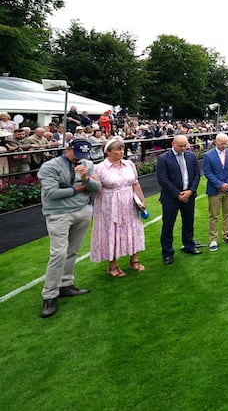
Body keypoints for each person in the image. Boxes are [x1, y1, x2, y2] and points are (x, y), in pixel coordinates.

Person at [38, 138, 100, 318]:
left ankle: (66, 285)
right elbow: (52, 193)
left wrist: (87, 178)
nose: (78, 158)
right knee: (58, 253)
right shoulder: (50, 166)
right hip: (59, 213)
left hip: (82, 210)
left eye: (83, 154)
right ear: (68, 149)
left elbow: (97, 188)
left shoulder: (87, 163)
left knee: (73, 251)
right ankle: (49, 295)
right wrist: (81, 188)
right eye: (76, 153)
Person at [90, 139, 146, 277]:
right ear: (108, 152)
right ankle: (113, 265)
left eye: (122, 149)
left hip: (129, 202)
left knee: (133, 228)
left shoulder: (129, 164)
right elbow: (94, 189)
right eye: (118, 150)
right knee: (111, 231)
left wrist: (142, 201)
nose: (121, 152)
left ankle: (134, 260)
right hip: (109, 205)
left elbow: (135, 183)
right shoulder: (99, 168)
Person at [157, 135, 202, 265]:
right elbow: (162, 179)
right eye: (180, 146)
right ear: (173, 144)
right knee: (168, 225)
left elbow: (197, 174)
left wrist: (190, 191)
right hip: (171, 198)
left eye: (185, 146)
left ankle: (189, 245)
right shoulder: (163, 158)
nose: (183, 148)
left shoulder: (191, 156)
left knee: (188, 222)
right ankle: (167, 253)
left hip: (189, 195)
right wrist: (178, 194)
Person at [204, 133, 228, 251]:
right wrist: (220, 185)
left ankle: (227, 234)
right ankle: (213, 239)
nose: (224, 146)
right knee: (214, 215)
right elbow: (207, 172)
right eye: (221, 143)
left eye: (226, 143)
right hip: (214, 190)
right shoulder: (208, 155)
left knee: (227, 213)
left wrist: (227, 184)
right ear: (215, 142)